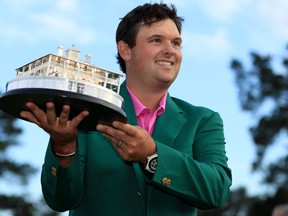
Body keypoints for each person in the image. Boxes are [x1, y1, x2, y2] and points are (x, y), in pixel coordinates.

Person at [20, 3, 232, 215]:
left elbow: (217, 190)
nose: (170, 50)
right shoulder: (86, 108)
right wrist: (64, 147)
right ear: (125, 50)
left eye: (176, 43)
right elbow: (59, 200)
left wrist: (152, 156)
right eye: (157, 40)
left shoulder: (203, 120)